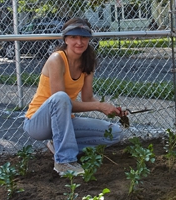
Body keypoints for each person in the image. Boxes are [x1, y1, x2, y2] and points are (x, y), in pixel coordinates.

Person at [23, 18, 124, 175]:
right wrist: (99, 106)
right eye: (74, 37)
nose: (79, 42)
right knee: (61, 98)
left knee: (114, 133)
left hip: (65, 122)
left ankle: (58, 145)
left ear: (89, 39)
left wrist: (109, 108)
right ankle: (64, 162)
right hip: (37, 122)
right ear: (66, 39)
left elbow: (88, 99)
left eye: (83, 37)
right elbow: (61, 101)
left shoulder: (87, 63)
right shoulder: (57, 59)